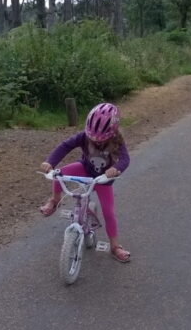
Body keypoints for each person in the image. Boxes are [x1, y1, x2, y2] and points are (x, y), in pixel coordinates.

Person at [39, 102, 131, 263]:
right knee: (59, 174)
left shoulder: (118, 141)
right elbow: (65, 146)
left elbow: (125, 159)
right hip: (85, 168)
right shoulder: (84, 136)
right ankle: (54, 200)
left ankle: (115, 246)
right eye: (92, 138)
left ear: (113, 132)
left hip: (103, 180)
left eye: (101, 140)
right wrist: (50, 162)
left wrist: (115, 169)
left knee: (109, 212)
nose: (96, 142)